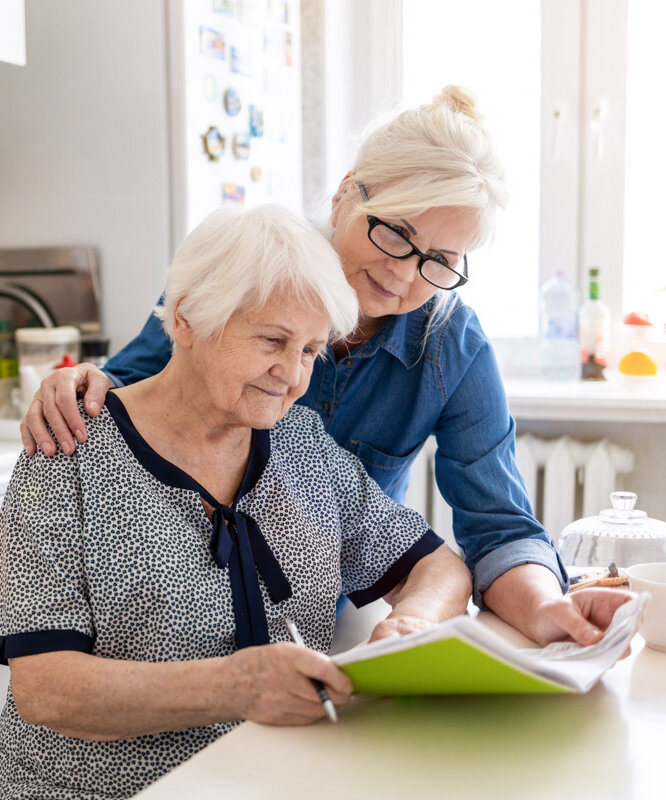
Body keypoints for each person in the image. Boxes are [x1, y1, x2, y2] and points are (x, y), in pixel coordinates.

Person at [21, 86, 630, 647]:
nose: (403, 273)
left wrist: (549, 610)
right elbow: (128, 395)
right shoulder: (246, 273)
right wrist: (77, 383)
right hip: (178, 615)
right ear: (346, 193)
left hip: (326, 612)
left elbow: (498, 529)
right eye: (396, 232)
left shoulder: (452, 347)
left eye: (440, 260)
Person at [0, 205, 473, 799]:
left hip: (276, 783)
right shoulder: (69, 452)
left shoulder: (303, 446)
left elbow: (437, 565)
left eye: (309, 351)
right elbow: (45, 688)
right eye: (272, 340)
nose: (291, 375)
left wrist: (415, 622)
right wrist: (231, 687)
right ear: (189, 318)